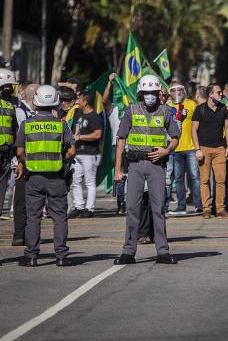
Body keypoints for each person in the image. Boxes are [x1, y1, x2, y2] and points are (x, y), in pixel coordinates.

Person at [113, 75, 180, 265]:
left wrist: (166, 150)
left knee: (158, 209)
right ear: (140, 93)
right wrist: (117, 170)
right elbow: (121, 140)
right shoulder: (131, 110)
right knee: (132, 209)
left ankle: (163, 252)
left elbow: (176, 137)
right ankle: (128, 252)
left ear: (158, 93)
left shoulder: (166, 111)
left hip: (156, 165)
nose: (149, 95)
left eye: (153, 92)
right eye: (146, 92)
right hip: (134, 165)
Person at [16, 85, 76, 267]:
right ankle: (61, 256)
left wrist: (29, 162)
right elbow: (72, 151)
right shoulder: (61, 125)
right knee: (59, 217)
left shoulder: (27, 125)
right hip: (57, 177)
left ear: (36, 102)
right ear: (55, 103)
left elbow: (20, 152)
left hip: (34, 177)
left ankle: (31, 256)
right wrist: (61, 160)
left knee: (33, 217)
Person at [191, 83, 228, 219]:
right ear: (210, 95)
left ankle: (220, 209)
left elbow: (227, 127)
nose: (222, 94)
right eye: (219, 92)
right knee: (204, 180)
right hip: (204, 149)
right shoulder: (200, 109)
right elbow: (193, 130)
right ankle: (206, 209)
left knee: (221, 180)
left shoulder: (223, 108)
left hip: (220, 149)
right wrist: (197, 149)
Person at [166, 82, 201, 216]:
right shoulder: (168, 106)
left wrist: (199, 146)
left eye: (179, 89)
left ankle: (199, 205)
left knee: (195, 177)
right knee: (179, 179)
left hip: (191, 147)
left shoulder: (191, 104)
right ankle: (181, 206)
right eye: (173, 90)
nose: (177, 93)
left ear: (184, 90)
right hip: (175, 149)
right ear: (170, 92)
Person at [68, 91, 104, 219]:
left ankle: (89, 209)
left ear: (86, 102)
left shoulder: (94, 116)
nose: (77, 101)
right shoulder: (78, 114)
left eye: (80, 100)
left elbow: (98, 134)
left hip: (90, 153)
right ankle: (78, 207)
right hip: (77, 152)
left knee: (89, 182)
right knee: (75, 181)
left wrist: (80, 137)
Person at [0, 70, 19, 231]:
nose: (10, 90)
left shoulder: (10, 105)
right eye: (7, 87)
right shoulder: (10, 105)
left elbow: (15, 129)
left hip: (6, 153)